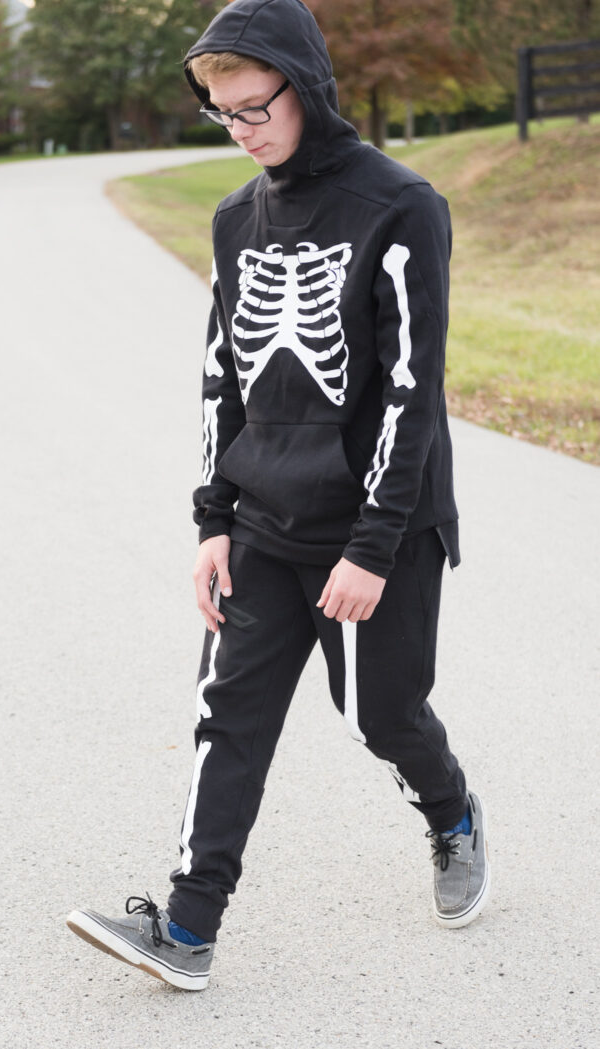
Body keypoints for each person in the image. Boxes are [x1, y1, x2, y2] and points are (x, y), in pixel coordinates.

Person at [66, 0, 490, 991]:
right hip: (263, 520)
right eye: (224, 116)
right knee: (231, 716)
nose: (244, 131)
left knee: (384, 717)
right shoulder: (233, 217)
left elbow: (409, 391)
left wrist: (374, 545)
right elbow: (226, 375)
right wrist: (212, 519)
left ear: (307, 86)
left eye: (256, 107)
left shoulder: (399, 205)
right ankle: (187, 924)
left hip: (379, 524)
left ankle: (453, 816)